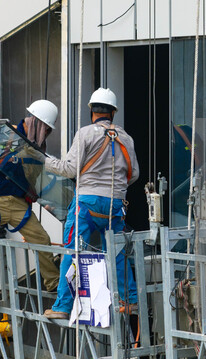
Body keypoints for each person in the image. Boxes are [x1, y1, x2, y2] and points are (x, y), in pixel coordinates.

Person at [32, 88, 139, 320]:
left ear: (92, 110)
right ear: (113, 112)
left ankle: (62, 306)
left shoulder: (86, 134)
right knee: (118, 251)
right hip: (115, 205)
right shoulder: (127, 138)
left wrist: (41, 158)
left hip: (87, 203)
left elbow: (68, 169)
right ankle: (129, 301)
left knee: (73, 251)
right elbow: (134, 174)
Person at [0, 99, 60, 292]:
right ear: (35, 121)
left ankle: (53, 283)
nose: (46, 133)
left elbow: (35, 177)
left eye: (48, 130)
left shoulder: (38, 147)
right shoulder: (5, 132)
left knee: (41, 239)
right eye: (45, 128)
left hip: (19, 203)